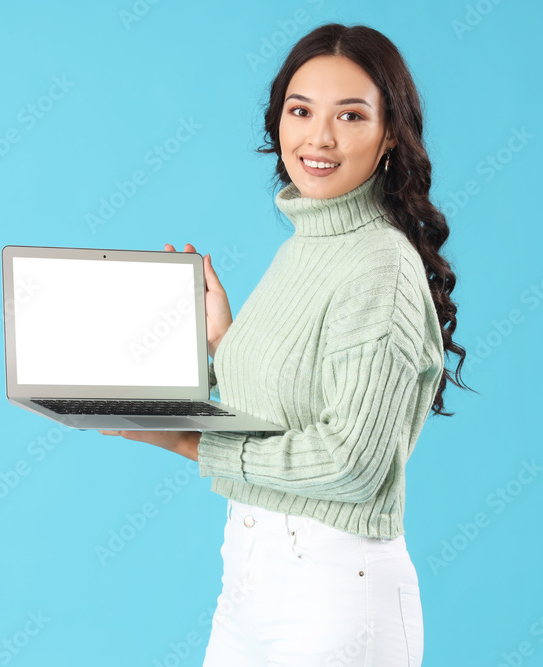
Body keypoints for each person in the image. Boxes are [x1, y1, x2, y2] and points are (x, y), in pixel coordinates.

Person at [99, 22, 471, 666]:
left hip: (337, 594)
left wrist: (192, 444)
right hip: (249, 579)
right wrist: (222, 342)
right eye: (300, 111)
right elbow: (289, 405)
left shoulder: (379, 265)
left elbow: (355, 462)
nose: (318, 137)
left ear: (390, 137)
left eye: (350, 116)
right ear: (277, 125)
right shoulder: (305, 245)